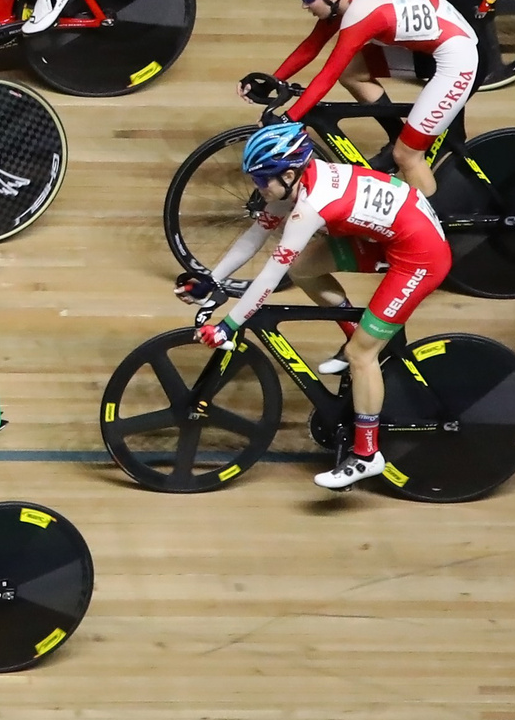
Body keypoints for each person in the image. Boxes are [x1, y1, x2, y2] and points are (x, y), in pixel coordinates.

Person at [184, 122, 452, 492]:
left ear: (290, 174)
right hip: (394, 232)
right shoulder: (297, 181)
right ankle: (352, 335)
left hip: (420, 256)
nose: (258, 189)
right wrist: (211, 279)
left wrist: (228, 325)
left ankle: (367, 455)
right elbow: (254, 236)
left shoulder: (309, 208)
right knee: (303, 266)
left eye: (262, 180)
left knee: (363, 355)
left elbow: (267, 277)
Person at [242, 0, 478, 197]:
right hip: (431, 49)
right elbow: (311, 47)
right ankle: (395, 135)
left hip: (457, 59)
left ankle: (429, 227)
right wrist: (272, 81)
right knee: (352, 72)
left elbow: (327, 75)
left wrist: (288, 120)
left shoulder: (362, 12)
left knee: (407, 156)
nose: (304, 5)